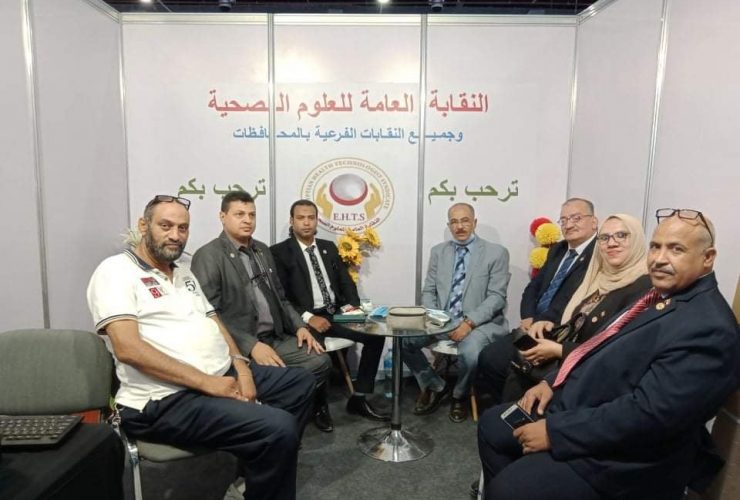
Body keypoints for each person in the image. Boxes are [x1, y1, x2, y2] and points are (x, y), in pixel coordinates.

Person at [477, 209, 740, 500]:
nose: (659, 259)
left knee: (508, 489)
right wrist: (552, 382)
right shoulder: (659, 296)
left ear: (708, 257)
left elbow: (649, 416)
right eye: (656, 247)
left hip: (625, 456)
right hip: (582, 407)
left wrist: (555, 432)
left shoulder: (709, 327)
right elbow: (598, 346)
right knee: (491, 425)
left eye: (676, 249)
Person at [87, 195, 315, 500]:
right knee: (279, 427)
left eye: (182, 228)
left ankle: (255, 472)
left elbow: (215, 321)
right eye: (165, 226)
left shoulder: (183, 272)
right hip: (163, 399)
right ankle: (264, 459)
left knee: (301, 383)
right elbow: (128, 348)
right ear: (143, 225)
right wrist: (208, 384)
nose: (175, 235)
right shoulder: (115, 271)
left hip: (218, 376)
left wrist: (242, 369)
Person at [191, 191, 334, 433]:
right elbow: (209, 314)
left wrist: (300, 326)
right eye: (239, 214)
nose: (247, 220)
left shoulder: (262, 250)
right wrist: (251, 345)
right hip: (240, 344)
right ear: (222, 217)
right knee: (282, 379)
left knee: (320, 362)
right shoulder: (209, 255)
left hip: (275, 337)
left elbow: (281, 297)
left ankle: (279, 419)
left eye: (252, 215)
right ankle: (267, 423)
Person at [484, 214, 652, 404]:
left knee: (504, 400)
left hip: (589, 379)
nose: (611, 243)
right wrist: (549, 324)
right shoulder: (598, 276)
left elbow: (616, 353)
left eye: (621, 235)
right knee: (504, 363)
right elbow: (574, 315)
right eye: (604, 237)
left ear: (637, 239)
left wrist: (559, 350)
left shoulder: (644, 289)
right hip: (567, 359)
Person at [270, 199, 389, 421]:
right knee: (316, 354)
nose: (306, 223)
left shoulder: (328, 247)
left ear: (317, 221)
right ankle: (319, 406)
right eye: (301, 218)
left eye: (311, 218)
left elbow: (345, 282)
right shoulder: (279, 252)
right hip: (306, 319)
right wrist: (309, 318)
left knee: (375, 337)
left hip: (335, 314)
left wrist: (352, 307)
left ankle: (359, 398)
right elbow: (281, 296)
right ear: (292, 221)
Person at [476, 198, 598, 405]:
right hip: (532, 324)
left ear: (594, 221)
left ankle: (517, 411)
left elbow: (573, 299)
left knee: (512, 366)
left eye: (576, 218)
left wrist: (539, 321)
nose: (569, 224)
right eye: (564, 220)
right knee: (489, 358)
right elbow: (533, 287)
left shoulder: (599, 255)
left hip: (559, 331)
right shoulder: (558, 250)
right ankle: (504, 410)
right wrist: (528, 316)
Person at [402, 202, 510, 423]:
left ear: (474, 222)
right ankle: (436, 385)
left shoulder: (496, 253)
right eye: (454, 222)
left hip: (479, 324)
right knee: (403, 341)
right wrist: (435, 318)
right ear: (449, 225)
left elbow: (496, 297)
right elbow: (429, 291)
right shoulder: (438, 252)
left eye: (465, 221)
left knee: (471, 354)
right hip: (443, 321)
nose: (459, 226)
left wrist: (469, 323)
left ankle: (459, 395)